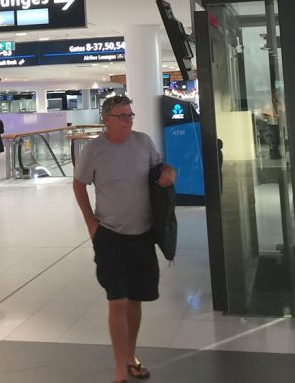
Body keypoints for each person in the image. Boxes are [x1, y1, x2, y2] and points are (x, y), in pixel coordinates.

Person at [72, 95, 176, 383]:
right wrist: (91, 224)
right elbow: (79, 184)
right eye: (122, 116)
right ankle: (120, 368)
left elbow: (160, 168)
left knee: (135, 301)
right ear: (105, 120)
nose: (128, 120)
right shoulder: (94, 150)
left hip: (142, 236)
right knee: (117, 300)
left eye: (130, 115)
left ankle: (131, 355)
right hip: (110, 236)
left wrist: (169, 172)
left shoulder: (143, 142)